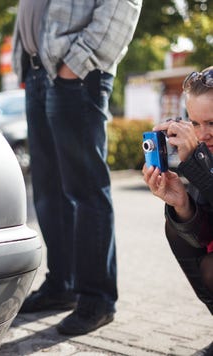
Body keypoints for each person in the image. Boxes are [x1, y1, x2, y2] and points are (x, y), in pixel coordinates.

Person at [12, 0, 142, 335]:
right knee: (48, 192)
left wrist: (76, 64)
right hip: (39, 71)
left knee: (85, 191)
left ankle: (97, 299)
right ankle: (62, 286)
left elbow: (123, 6)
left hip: (75, 74)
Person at [142, 66, 213, 356]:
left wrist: (198, 165)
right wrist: (182, 203)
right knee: (177, 228)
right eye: (195, 123)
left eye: (212, 123)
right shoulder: (205, 152)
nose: (203, 134)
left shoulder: (200, 154)